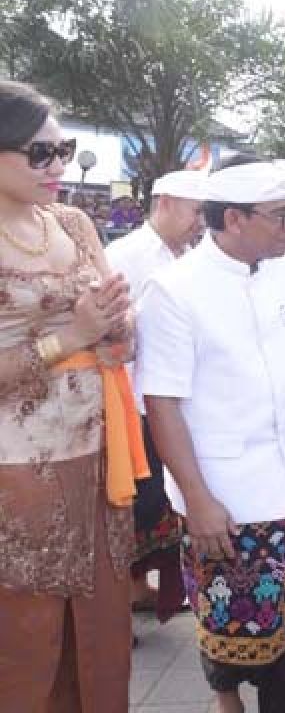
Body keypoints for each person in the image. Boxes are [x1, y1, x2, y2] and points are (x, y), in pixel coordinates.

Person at [137, 157, 285, 713]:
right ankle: (226, 699)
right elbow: (162, 404)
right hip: (226, 497)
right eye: (280, 216)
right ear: (233, 218)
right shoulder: (174, 291)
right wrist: (198, 501)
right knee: (230, 629)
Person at [0, 80, 143, 711]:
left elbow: (117, 324)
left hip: (98, 459)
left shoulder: (74, 223)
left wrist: (117, 332)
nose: (58, 167)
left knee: (102, 627)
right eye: (40, 154)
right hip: (19, 475)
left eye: (65, 150)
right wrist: (73, 336)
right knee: (28, 636)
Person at [105, 168, 208, 624]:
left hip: (181, 402)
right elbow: (110, 330)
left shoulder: (196, 255)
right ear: (164, 203)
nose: (200, 222)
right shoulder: (123, 255)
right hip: (133, 401)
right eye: (194, 211)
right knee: (134, 502)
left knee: (162, 506)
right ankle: (115, 606)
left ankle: (139, 589)